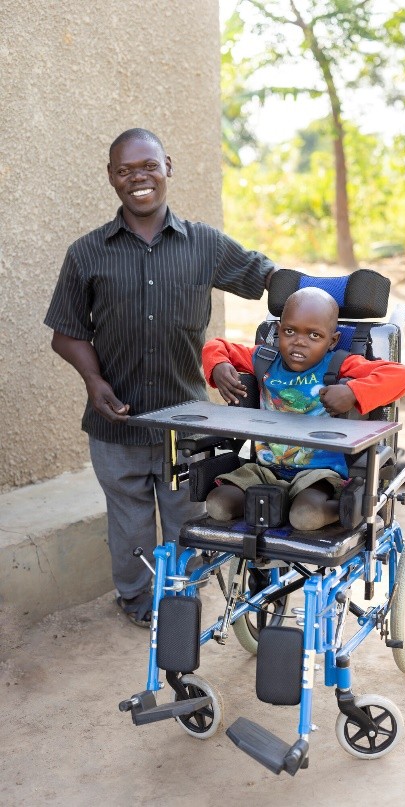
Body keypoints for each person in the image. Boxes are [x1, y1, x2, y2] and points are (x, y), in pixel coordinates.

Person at [44, 128, 279, 627]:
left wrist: (334, 298)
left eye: (147, 166)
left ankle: (181, 604)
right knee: (128, 525)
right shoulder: (87, 254)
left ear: (167, 166)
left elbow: (267, 278)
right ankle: (135, 602)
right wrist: (93, 380)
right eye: (125, 171)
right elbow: (65, 333)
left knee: (188, 523)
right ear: (112, 178)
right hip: (117, 425)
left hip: (186, 424)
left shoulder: (206, 246)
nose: (138, 178)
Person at [202, 287, 405, 531]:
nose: (299, 341)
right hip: (263, 469)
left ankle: (344, 507)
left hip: (318, 474)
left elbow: (399, 376)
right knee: (217, 505)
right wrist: (218, 365)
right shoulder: (264, 359)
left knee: (305, 517)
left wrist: (354, 392)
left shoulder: (339, 364)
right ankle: (280, 505)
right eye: (290, 331)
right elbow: (216, 346)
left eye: (314, 335)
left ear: (332, 340)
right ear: (279, 331)